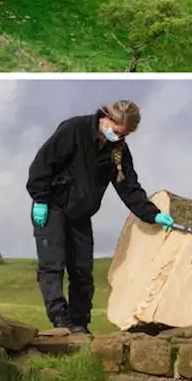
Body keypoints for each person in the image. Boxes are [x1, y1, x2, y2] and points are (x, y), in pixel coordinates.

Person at [26, 100, 173, 334]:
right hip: (52, 207)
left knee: (82, 271)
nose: (117, 137)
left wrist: (153, 215)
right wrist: (40, 199)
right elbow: (41, 165)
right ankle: (60, 321)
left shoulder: (118, 150)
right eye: (115, 131)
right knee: (52, 266)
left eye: (123, 135)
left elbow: (129, 187)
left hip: (81, 215)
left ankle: (79, 324)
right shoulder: (74, 129)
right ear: (106, 117)